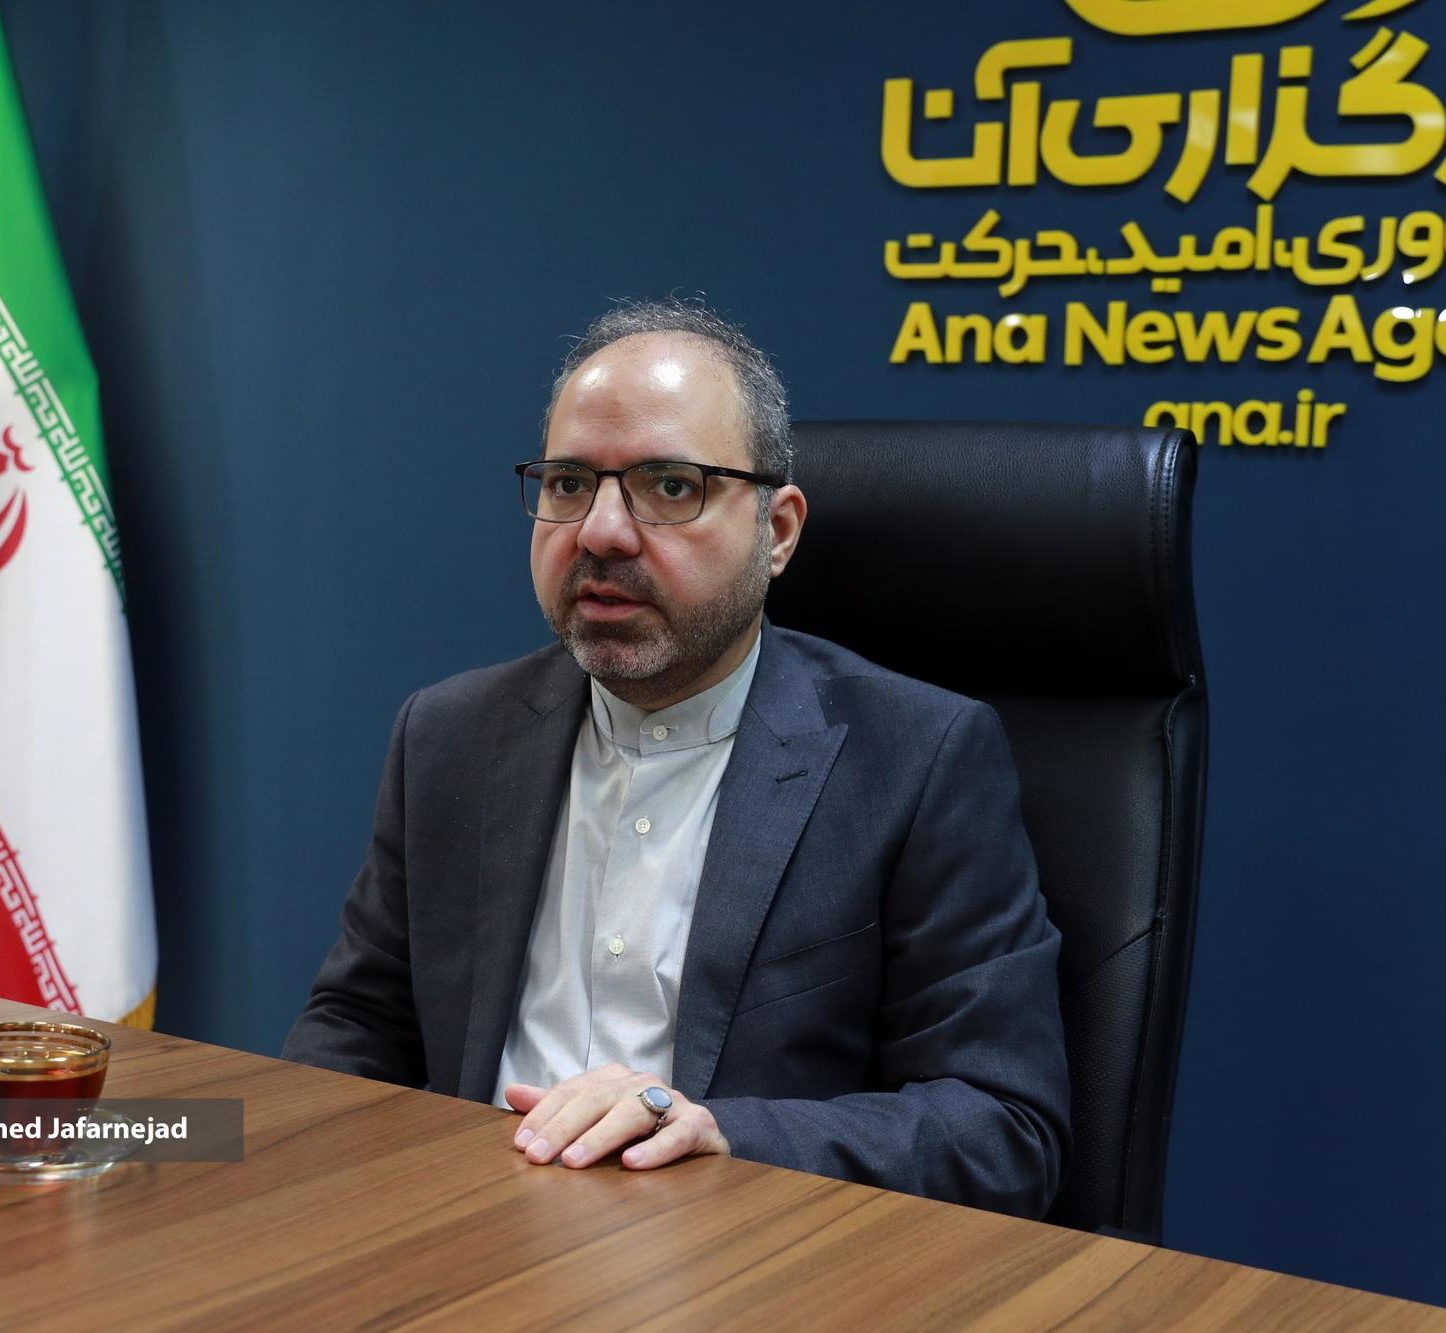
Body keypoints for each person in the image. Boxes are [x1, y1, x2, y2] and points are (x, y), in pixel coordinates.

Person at [282, 299, 1069, 1218]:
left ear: (777, 531)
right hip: (463, 1230)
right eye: (569, 483)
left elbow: (1002, 1126)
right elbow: (358, 1024)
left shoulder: (917, 757)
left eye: (668, 486)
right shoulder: (449, 733)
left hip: (739, 1253)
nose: (600, 532)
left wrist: (722, 1133)